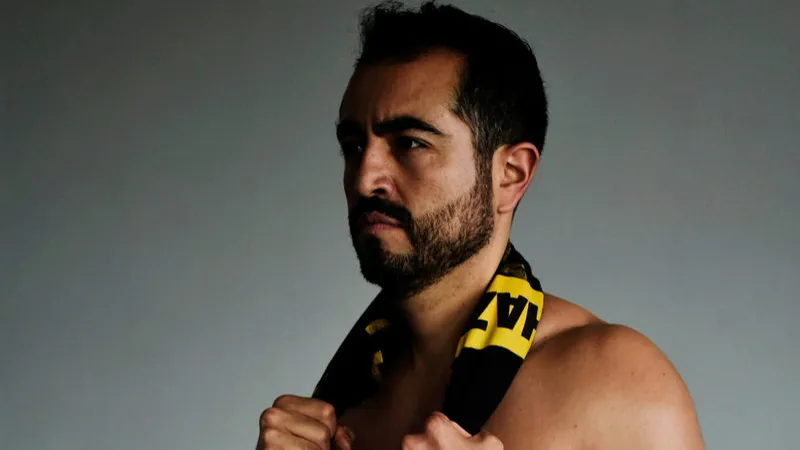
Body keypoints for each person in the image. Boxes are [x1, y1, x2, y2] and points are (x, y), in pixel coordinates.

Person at [256, 2, 704, 449]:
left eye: (410, 143)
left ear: (510, 174)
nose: (365, 178)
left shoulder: (616, 385)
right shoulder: (343, 403)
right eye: (354, 146)